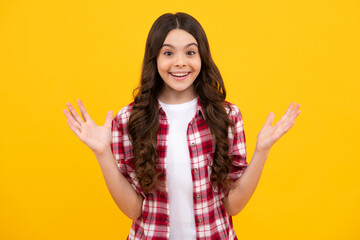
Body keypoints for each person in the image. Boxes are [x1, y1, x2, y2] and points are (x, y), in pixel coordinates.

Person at [63, 12, 300, 240]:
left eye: (190, 52)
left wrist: (262, 151)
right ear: (154, 58)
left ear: (201, 58)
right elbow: (134, 210)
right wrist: (102, 153)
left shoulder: (226, 116)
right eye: (168, 53)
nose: (180, 63)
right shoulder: (129, 119)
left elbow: (233, 205)